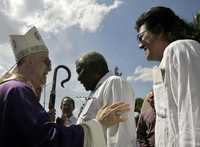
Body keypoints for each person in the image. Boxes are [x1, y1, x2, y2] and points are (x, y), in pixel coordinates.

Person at [0, 26, 131, 147]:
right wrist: (99, 125)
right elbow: (48, 139)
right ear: (29, 62)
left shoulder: (9, 88)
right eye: (46, 61)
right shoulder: (17, 90)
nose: (50, 68)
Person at [135, 6, 200, 147]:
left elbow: (194, 123)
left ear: (158, 30)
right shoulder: (161, 69)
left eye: (140, 37)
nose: (139, 45)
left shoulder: (181, 49)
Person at [75, 51, 136, 147]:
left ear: (94, 68)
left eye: (79, 71)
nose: (78, 78)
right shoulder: (96, 91)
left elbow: (119, 139)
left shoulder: (114, 83)